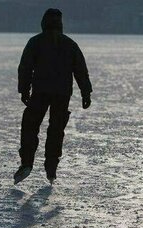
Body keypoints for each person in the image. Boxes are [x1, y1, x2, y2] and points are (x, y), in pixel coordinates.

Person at [14, 8, 92, 185]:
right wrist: (85, 92)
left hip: (41, 92)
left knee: (30, 126)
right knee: (56, 130)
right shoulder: (69, 44)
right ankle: (51, 167)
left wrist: (24, 89)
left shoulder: (36, 42)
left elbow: (25, 68)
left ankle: (27, 163)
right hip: (62, 94)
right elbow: (81, 71)